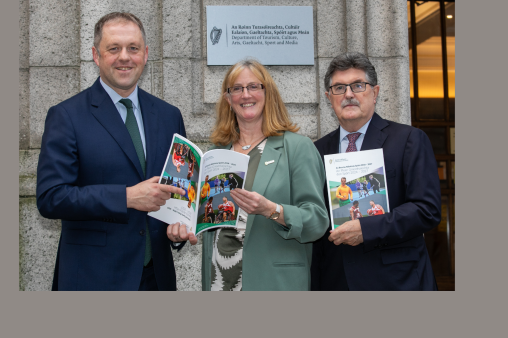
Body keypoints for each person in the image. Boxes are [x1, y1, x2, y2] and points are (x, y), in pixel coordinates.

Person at [36, 12, 191, 291]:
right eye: (113, 48)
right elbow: (51, 198)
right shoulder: (66, 115)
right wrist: (127, 197)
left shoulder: (169, 116)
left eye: (133, 48)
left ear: (145, 55)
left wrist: (178, 228)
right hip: (93, 277)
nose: (124, 57)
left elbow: (178, 189)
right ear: (96, 55)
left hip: (156, 278)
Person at [167, 59, 329, 290]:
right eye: (237, 89)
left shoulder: (297, 148)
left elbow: (317, 221)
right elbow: (205, 218)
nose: (245, 95)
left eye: (254, 86)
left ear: (267, 93)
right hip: (220, 281)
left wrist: (271, 210)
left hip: (273, 283)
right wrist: (182, 227)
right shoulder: (216, 154)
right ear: (228, 99)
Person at [310, 52, 441, 291]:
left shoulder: (408, 140)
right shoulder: (316, 151)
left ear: (375, 92)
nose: (348, 94)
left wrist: (366, 229)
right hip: (336, 281)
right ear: (329, 98)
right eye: (339, 88)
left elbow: (427, 210)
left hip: (397, 281)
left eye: (358, 85)